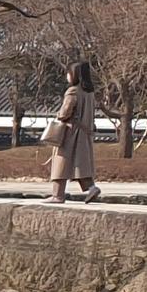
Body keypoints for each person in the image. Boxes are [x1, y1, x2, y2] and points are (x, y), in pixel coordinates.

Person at [47, 62, 102, 204]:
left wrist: (59, 115)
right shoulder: (89, 93)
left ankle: (57, 195)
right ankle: (91, 187)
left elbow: (65, 113)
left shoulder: (72, 91)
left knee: (61, 161)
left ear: (74, 75)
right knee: (81, 163)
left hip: (70, 132)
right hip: (84, 132)